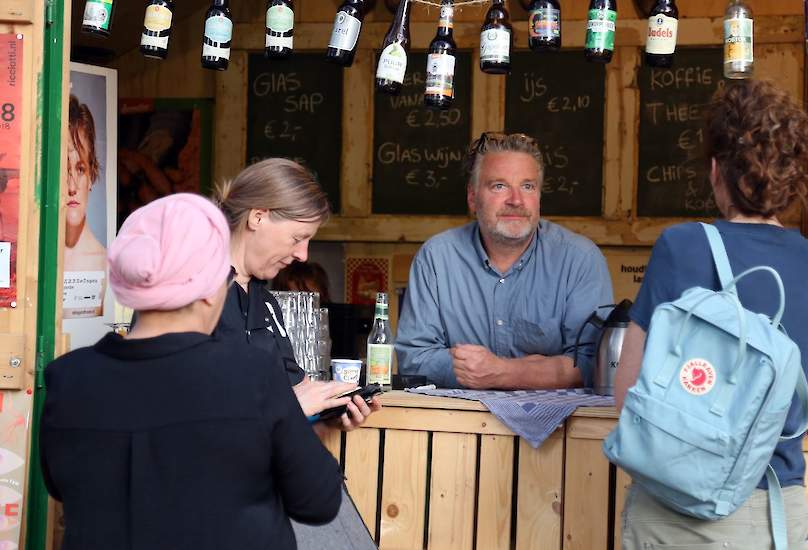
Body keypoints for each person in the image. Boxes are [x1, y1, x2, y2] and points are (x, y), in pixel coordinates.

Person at [613, 80, 808, 549]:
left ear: (717, 169)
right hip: (773, 514)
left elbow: (628, 391)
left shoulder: (681, 246)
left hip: (672, 511)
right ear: (793, 179)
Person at [41, 194, 344, 549]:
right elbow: (318, 502)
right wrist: (299, 420)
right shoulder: (253, 376)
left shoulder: (68, 378)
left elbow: (60, 486)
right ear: (209, 289)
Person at [395, 132, 614, 389]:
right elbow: (414, 358)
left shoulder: (580, 259)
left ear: (539, 196)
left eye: (527, 186)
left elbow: (596, 362)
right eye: (499, 186)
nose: (516, 200)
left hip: (559, 427)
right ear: (472, 197)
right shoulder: (436, 258)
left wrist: (502, 372)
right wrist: (543, 368)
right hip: (456, 424)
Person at [212, 158, 380, 426]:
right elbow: (183, 409)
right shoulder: (193, 292)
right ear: (258, 217)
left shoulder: (265, 304)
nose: (303, 255)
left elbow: (297, 395)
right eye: (297, 238)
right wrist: (289, 407)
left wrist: (327, 416)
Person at [63, 94, 107, 319]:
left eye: (80, 169)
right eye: (63, 169)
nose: (71, 186)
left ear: (91, 175)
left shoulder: (107, 266)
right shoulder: (30, 259)